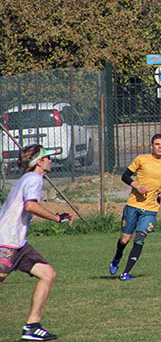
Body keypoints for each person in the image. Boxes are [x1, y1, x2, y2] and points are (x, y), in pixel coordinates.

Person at [0, 144, 72, 341]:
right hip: (6, 244)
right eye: (47, 157)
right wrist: (57, 218)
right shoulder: (34, 179)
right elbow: (31, 205)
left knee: (47, 274)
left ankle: (32, 326)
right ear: (39, 162)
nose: (51, 160)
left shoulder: (28, 178)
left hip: (18, 244)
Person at [109, 133, 161, 281]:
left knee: (140, 239)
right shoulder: (142, 159)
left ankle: (125, 273)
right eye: (157, 144)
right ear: (151, 146)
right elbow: (125, 176)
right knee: (125, 239)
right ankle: (117, 258)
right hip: (133, 205)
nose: (160, 147)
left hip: (151, 208)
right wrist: (138, 186)